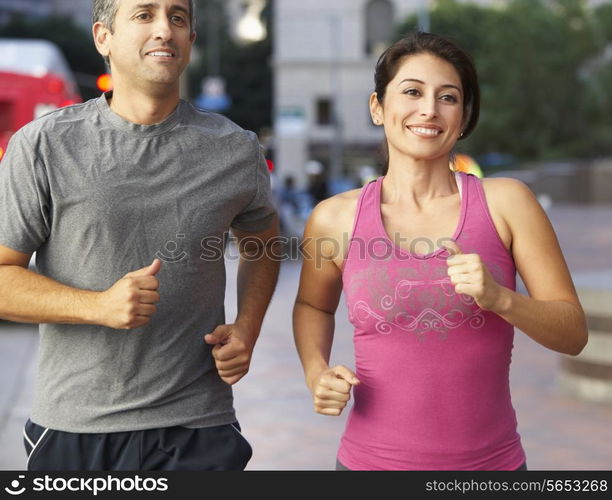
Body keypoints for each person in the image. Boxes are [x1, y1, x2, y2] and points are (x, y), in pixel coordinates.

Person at [0, 0, 280, 471]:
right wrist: (98, 306)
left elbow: (264, 245)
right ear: (102, 37)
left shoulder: (236, 148)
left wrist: (247, 327)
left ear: (191, 38)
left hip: (200, 426)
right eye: (144, 14)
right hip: (76, 427)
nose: (164, 30)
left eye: (177, 17)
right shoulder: (44, 144)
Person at [292, 32, 588, 471]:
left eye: (448, 97)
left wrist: (501, 299)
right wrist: (316, 371)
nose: (429, 109)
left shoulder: (508, 204)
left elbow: (573, 334)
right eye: (412, 91)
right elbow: (312, 304)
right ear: (378, 107)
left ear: (464, 117)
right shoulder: (334, 218)